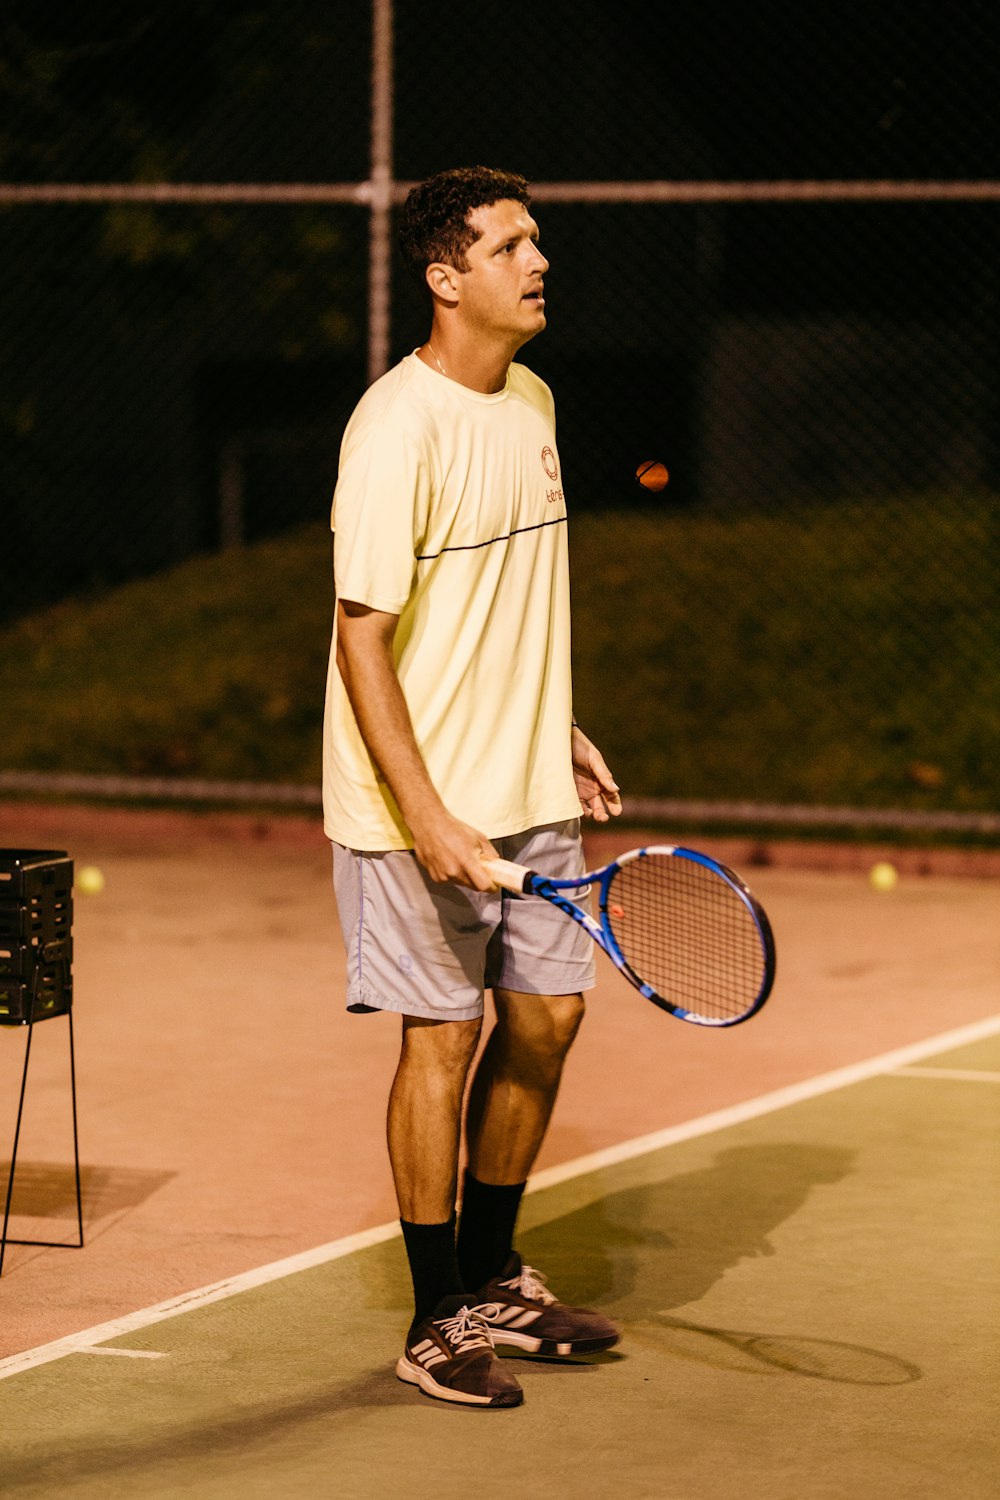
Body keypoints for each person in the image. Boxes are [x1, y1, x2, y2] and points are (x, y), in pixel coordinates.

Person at [323, 165, 622, 1409]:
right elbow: (360, 638)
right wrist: (430, 814)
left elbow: (503, 606)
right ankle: (433, 1313)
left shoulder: (534, 400)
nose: (537, 260)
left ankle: (497, 1271)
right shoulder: (395, 428)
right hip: (411, 805)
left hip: (529, 788)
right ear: (447, 278)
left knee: (547, 1022)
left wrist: (558, 724)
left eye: (536, 240)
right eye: (509, 245)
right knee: (441, 1038)